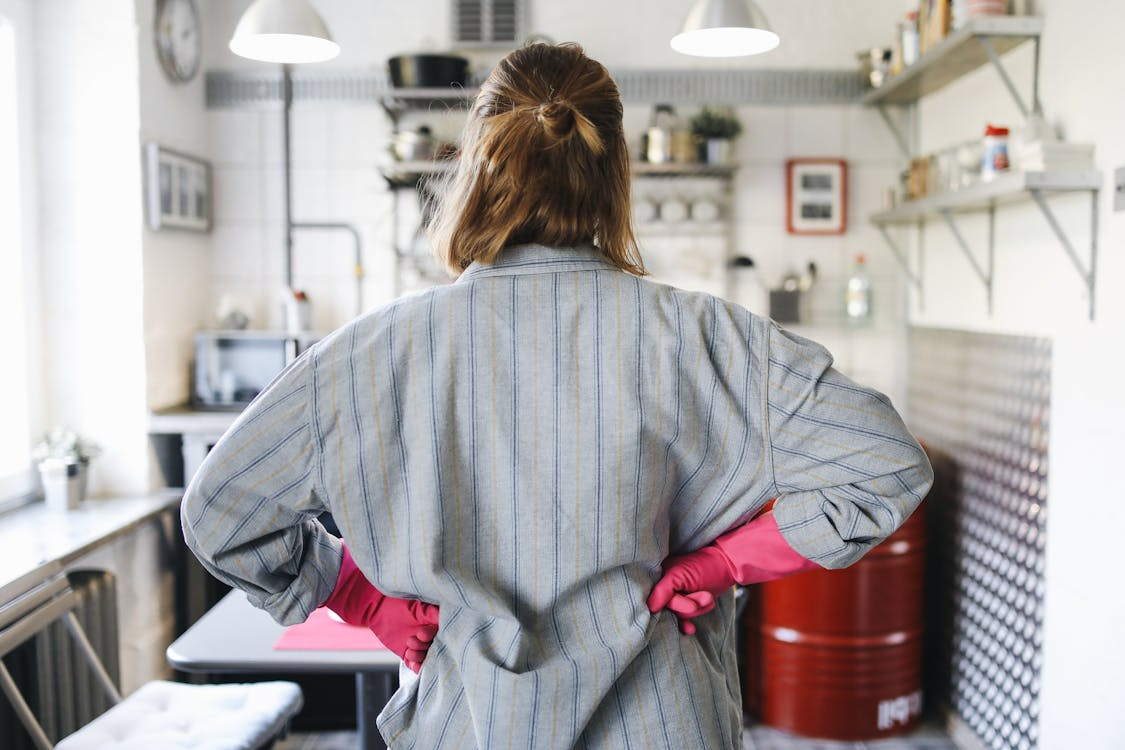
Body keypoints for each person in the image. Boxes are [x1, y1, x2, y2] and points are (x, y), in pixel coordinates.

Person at [181, 42, 933, 749]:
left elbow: (222, 514)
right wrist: (722, 564)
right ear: (616, 174)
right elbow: (886, 464)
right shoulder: (708, 335)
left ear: (476, 167)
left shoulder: (364, 352)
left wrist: (362, 599)